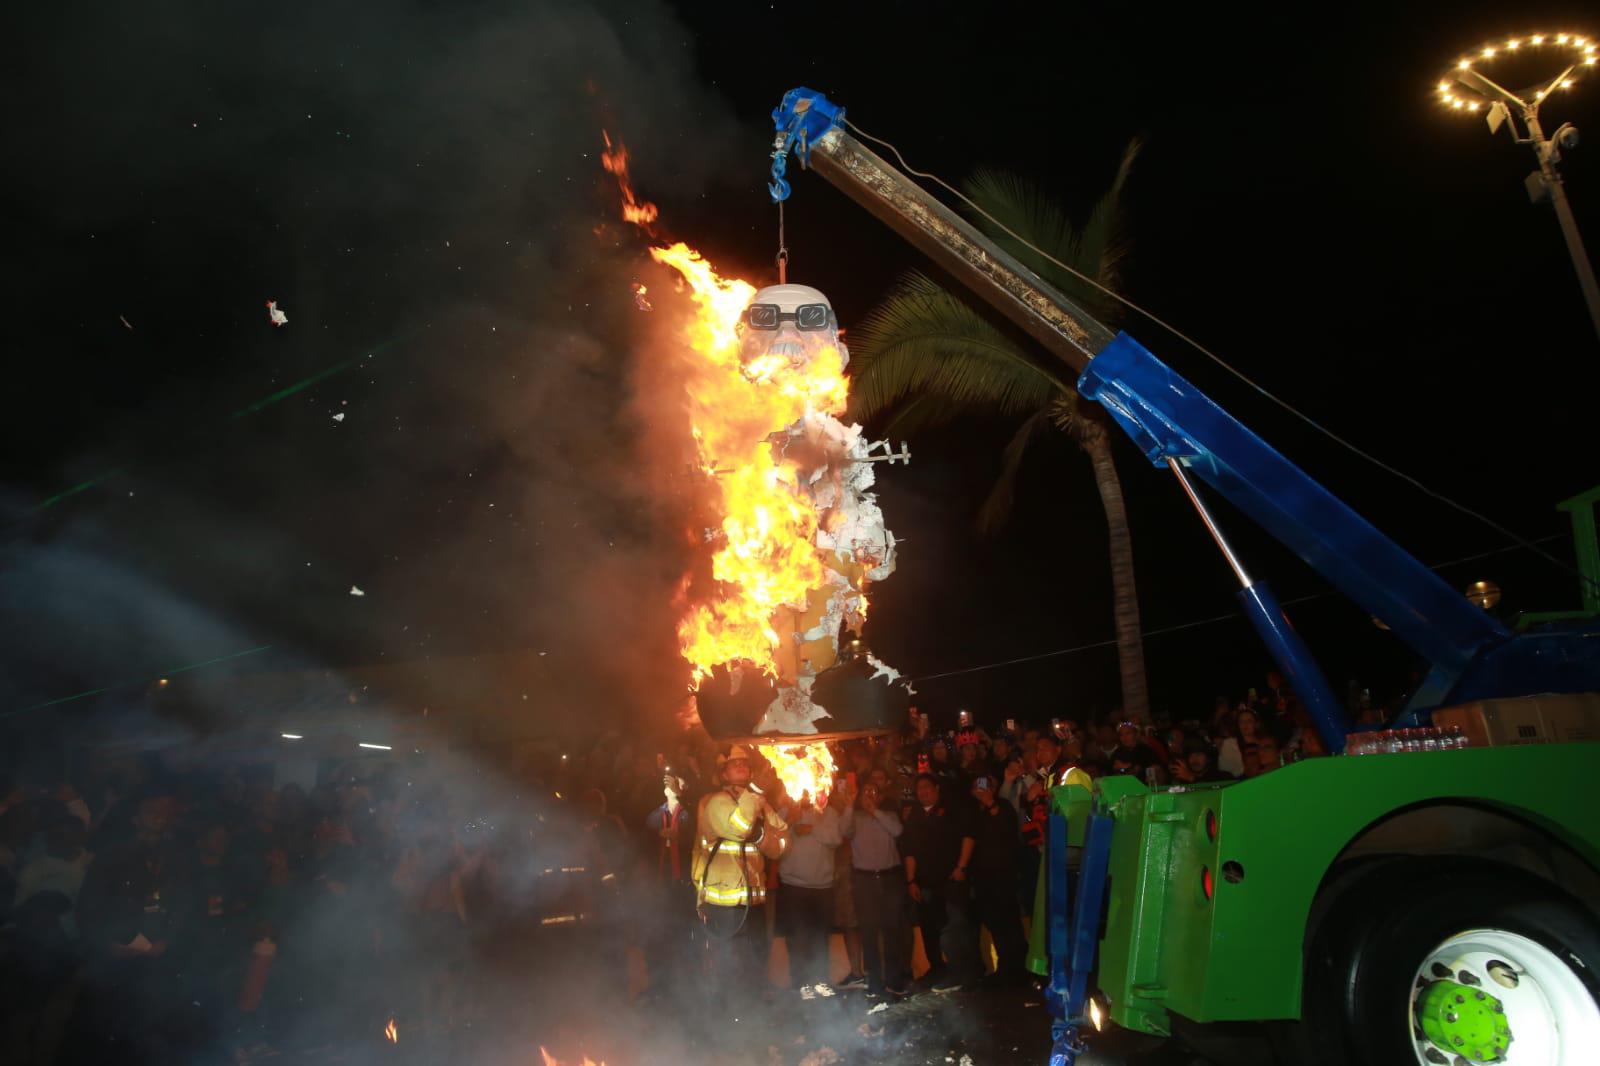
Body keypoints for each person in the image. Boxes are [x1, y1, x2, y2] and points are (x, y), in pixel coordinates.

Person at [690, 745, 791, 1005]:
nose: (742, 765)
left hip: (754, 904)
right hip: (724, 905)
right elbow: (739, 827)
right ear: (723, 774)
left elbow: (783, 843)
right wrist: (756, 794)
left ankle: (751, 1020)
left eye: (745, 762)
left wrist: (762, 836)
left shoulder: (760, 804)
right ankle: (727, 1024)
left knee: (755, 964)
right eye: (734, 764)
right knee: (728, 969)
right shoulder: (714, 803)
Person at [901, 774, 977, 993]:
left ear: (936, 788)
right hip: (925, 883)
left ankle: (962, 973)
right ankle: (937, 970)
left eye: (927, 787)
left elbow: (968, 836)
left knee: (955, 928)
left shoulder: (951, 809)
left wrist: (961, 867)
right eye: (919, 788)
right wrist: (911, 880)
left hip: (951, 880)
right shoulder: (915, 814)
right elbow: (910, 850)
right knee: (929, 929)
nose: (923, 791)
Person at [839, 778, 910, 997]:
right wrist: (850, 805)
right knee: (868, 931)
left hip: (889, 878)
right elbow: (844, 831)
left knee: (892, 930)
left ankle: (894, 980)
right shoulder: (855, 818)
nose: (869, 795)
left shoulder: (888, 815)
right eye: (865, 792)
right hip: (865, 880)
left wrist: (875, 811)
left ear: (879, 797)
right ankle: (875, 982)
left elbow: (897, 831)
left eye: (873, 792)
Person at [778, 782, 846, 998]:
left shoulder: (830, 813)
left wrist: (812, 828)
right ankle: (800, 983)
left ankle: (820, 980)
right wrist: (790, 821)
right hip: (793, 885)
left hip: (822, 885)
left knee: (820, 936)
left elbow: (836, 839)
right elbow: (775, 841)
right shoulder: (786, 811)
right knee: (797, 936)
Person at [967, 776, 1028, 984]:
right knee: (994, 922)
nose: (980, 790)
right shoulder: (975, 812)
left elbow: (1007, 826)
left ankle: (1019, 967)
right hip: (984, 878)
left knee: (1009, 920)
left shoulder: (1003, 806)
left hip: (1004, 875)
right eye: (976, 787)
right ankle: (1005, 966)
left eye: (984, 786)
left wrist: (990, 802)